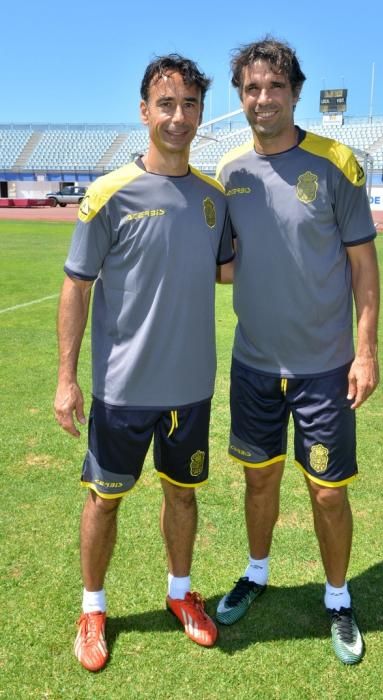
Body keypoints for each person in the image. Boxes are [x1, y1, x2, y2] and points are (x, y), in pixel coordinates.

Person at [54, 54, 234, 672]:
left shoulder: (213, 199)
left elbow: (230, 269)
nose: (178, 117)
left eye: (188, 105)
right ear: (143, 112)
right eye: (166, 104)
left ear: (200, 114)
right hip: (122, 389)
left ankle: (182, 595)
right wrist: (64, 379)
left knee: (182, 497)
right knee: (105, 500)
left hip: (190, 389)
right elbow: (77, 286)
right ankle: (94, 607)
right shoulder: (108, 194)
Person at [215, 38, 379, 665]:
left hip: (325, 368)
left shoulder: (337, 163)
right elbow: (224, 266)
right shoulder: (230, 174)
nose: (263, 99)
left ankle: (338, 597)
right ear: (242, 97)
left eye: (274, 87)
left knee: (329, 492)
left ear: (295, 92)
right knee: (260, 483)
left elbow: (364, 267)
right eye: (252, 89)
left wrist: (365, 352)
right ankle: (257, 573)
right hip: (254, 362)